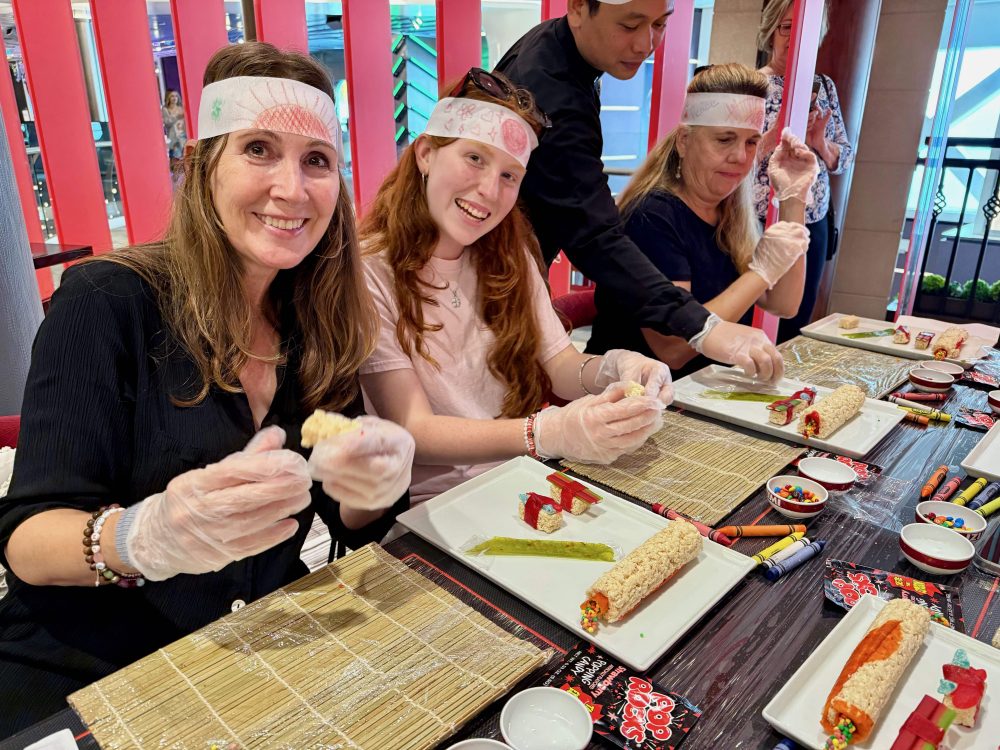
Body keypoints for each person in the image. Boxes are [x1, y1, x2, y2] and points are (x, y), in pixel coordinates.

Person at [0, 43, 414, 736]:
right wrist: (144, 536)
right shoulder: (108, 302)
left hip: (239, 665)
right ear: (201, 169)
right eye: (258, 149)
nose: (292, 187)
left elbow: (347, 521)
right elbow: (26, 544)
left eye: (317, 160)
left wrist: (371, 485)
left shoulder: (318, 319)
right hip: (82, 678)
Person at [359, 69, 670, 503]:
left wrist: (614, 368)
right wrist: (542, 431)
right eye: (474, 158)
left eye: (510, 175)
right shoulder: (371, 269)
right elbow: (415, 429)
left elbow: (559, 363)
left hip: (526, 478)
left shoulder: (509, 253)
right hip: (435, 503)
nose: (488, 190)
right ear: (426, 153)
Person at [494, 0, 785, 381]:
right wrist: (703, 326)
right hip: (496, 283)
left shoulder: (564, 50)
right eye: (630, 25)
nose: (646, 44)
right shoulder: (552, 93)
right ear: (579, 8)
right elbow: (594, 238)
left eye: (660, 25)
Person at [588, 64, 818, 377]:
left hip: (702, 392)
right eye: (725, 139)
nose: (741, 156)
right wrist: (762, 272)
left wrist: (793, 199)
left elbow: (784, 304)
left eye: (751, 142)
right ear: (684, 140)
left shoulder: (730, 213)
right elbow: (674, 349)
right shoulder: (651, 216)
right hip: (634, 399)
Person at [755, 0, 853, 342]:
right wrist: (772, 136)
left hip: (811, 219)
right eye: (786, 27)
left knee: (796, 317)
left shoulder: (824, 87)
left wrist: (820, 144)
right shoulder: (750, 85)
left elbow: (844, 156)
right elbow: (730, 157)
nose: (794, 38)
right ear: (770, 32)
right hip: (756, 219)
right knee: (754, 313)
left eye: (804, 30)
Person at [161, 88, 187, 162]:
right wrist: (176, 117)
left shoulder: (181, 108)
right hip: (173, 138)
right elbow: (166, 123)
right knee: (175, 159)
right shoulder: (165, 109)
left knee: (185, 157)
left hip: (183, 136)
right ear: (168, 98)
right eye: (172, 96)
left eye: (176, 96)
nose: (174, 98)